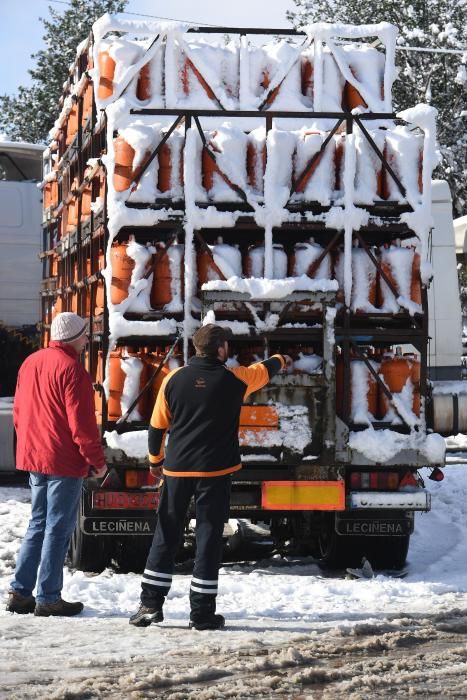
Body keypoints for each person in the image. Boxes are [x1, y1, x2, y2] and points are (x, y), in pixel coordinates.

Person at [129, 324, 291, 630]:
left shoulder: (173, 379)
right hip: (215, 472)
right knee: (208, 537)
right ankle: (201, 613)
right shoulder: (235, 379)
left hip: (176, 469)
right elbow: (263, 370)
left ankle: (150, 604)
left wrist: (155, 461)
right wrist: (281, 359)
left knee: (167, 531)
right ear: (221, 350)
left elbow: (156, 426)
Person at [6, 312, 106, 617]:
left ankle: (20, 592)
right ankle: (48, 597)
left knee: (37, 524)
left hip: (36, 455)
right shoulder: (74, 371)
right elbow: (83, 426)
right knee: (58, 528)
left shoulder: (31, 362)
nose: (88, 339)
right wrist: (97, 462)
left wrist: (29, 445)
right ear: (75, 337)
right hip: (62, 459)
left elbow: (19, 412)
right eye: (86, 335)